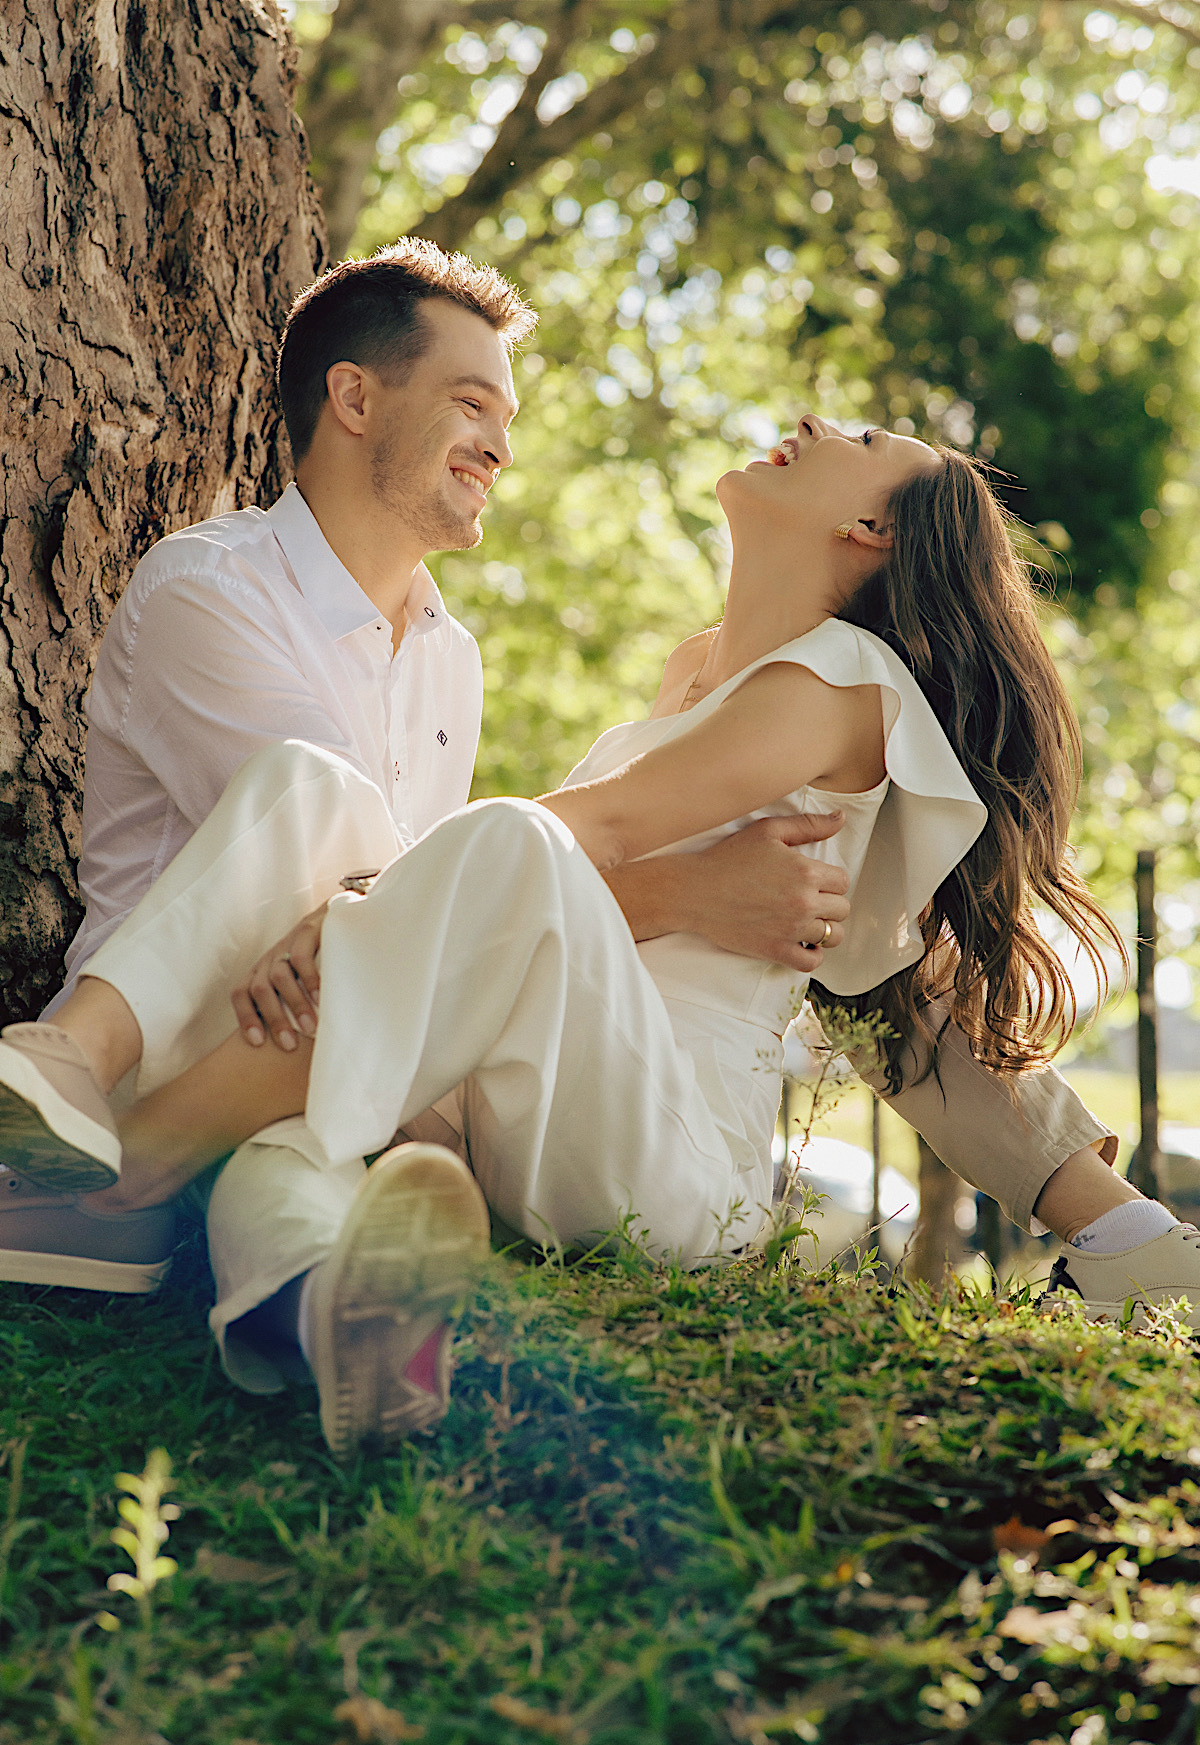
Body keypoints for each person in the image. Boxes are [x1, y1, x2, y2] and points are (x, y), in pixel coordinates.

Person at [5, 419, 1193, 1461]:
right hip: (551, 1096)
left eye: (866, 442)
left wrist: (355, 910)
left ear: (874, 529)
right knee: (308, 797)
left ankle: (117, 1180)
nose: (818, 419)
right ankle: (308, 1302)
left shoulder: (845, 681)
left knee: (509, 843)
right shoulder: (698, 675)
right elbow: (574, 885)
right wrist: (379, 904)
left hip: (670, 1160)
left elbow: (602, 837)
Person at [0, 241, 856, 1294]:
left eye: (506, 421)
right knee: (314, 794)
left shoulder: (452, 657)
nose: (500, 447)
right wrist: (678, 893)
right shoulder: (210, 593)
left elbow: (403, 919)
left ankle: (297, 1309)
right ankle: (65, 1077)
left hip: (337, 1057)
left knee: (304, 1175)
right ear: (354, 398)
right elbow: (362, 886)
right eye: (470, 405)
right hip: (191, 1047)